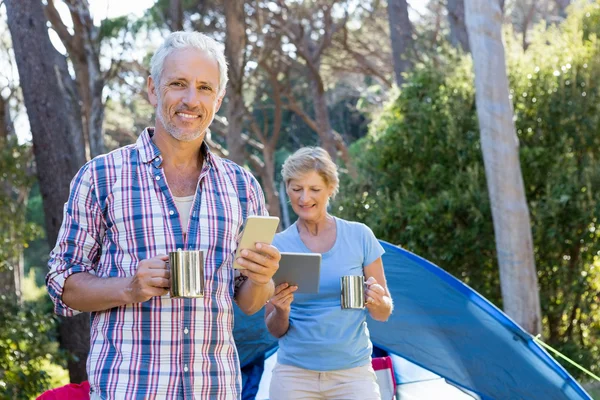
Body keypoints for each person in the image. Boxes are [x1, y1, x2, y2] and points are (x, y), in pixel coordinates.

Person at [46, 31, 280, 399]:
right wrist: (128, 287)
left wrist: (263, 278)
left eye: (205, 88)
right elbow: (62, 284)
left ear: (218, 100)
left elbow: (248, 300)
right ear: (153, 89)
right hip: (130, 389)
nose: (191, 99)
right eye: (178, 84)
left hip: (214, 389)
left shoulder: (242, 186)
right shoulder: (101, 177)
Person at [265, 147, 394, 400]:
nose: (304, 198)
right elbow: (274, 329)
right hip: (294, 376)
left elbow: (383, 312)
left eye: (314, 189)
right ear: (287, 189)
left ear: (330, 189)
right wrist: (281, 310)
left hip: (353, 374)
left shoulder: (360, 236)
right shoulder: (277, 246)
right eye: (296, 189)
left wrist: (378, 300)